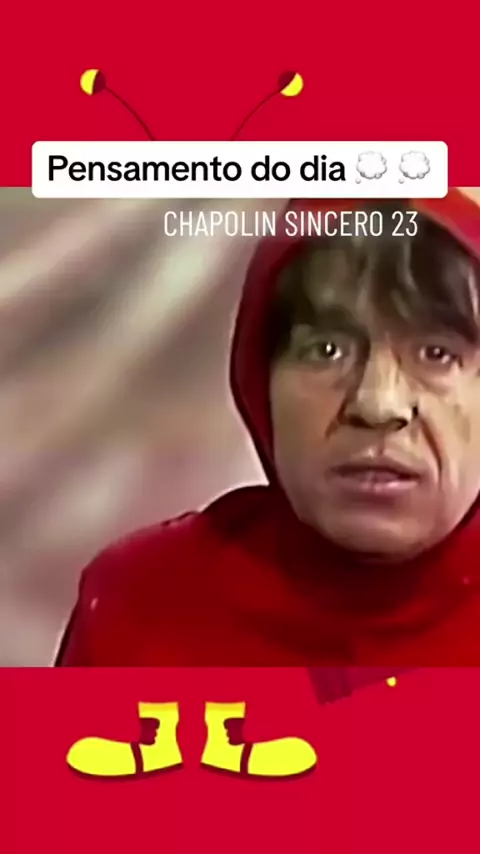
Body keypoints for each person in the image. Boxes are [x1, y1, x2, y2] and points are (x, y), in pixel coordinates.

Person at [56, 190, 480, 667]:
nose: (377, 405)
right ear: (261, 382)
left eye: (436, 354)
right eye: (326, 351)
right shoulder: (139, 606)